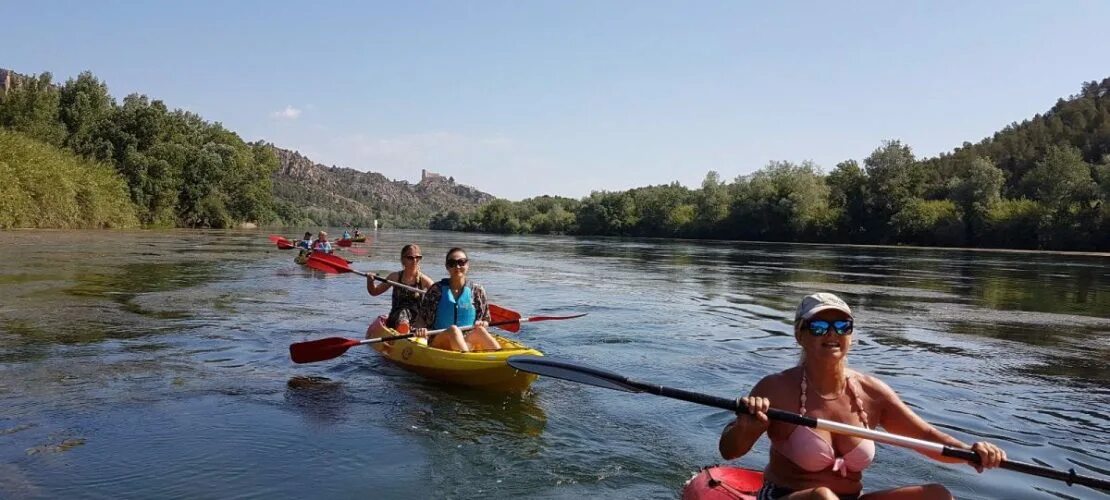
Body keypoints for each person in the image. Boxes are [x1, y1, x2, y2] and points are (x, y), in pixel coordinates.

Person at [719, 293, 1006, 500]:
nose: (832, 334)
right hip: (786, 496)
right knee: (822, 496)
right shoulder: (775, 388)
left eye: (842, 326)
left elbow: (926, 436)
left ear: (851, 335)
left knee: (936, 495)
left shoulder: (872, 392)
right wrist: (747, 428)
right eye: (819, 327)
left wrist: (971, 453)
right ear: (800, 335)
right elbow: (729, 451)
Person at [412, 247, 501, 352]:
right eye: (452, 263)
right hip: (440, 341)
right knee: (454, 330)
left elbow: (486, 319)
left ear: (467, 265)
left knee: (480, 330)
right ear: (447, 266)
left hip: (467, 341)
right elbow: (421, 319)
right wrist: (420, 329)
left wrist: (483, 323)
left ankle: (500, 357)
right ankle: (467, 358)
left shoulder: (477, 291)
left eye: (461, 262)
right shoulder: (436, 290)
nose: (457, 266)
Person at [367, 244, 434, 333]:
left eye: (418, 257)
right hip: (396, 318)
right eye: (410, 258)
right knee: (403, 312)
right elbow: (374, 292)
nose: (414, 260)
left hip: (416, 322)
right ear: (403, 260)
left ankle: (410, 329)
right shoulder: (394, 277)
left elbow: (438, 294)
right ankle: (403, 328)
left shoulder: (424, 280)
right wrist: (370, 281)